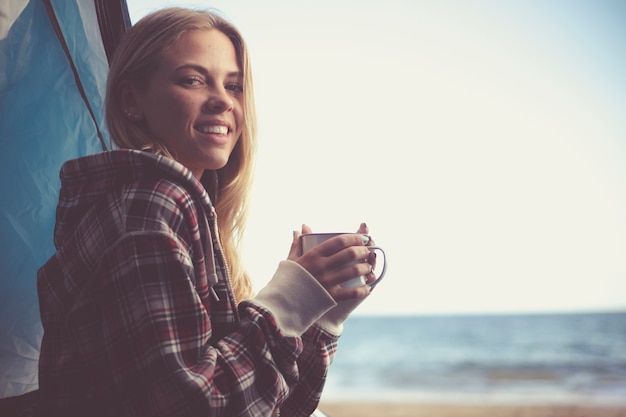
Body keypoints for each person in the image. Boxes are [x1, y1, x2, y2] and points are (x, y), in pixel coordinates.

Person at [36, 7, 377, 417]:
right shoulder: (148, 206)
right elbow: (192, 405)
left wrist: (320, 314)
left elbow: (275, 406)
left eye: (234, 86)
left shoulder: (189, 211)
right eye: (193, 80)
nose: (221, 100)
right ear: (131, 100)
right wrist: (288, 303)